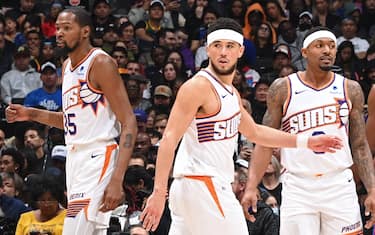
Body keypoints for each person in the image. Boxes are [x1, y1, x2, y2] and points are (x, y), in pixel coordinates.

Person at [140, 18, 342, 234]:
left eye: (230, 46)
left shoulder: (231, 93)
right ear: (208, 50)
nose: (223, 52)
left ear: (240, 50)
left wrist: (307, 141)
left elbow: (255, 132)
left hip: (198, 187)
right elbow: (169, 138)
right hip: (202, 183)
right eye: (217, 46)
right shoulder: (198, 86)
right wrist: (159, 192)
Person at [5, 8, 137, 235]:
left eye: (67, 28)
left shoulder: (101, 63)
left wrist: (117, 179)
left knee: (74, 229)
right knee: (93, 231)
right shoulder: (66, 67)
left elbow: (129, 122)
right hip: (75, 157)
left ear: (85, 31)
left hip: (98, 155)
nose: (59, 33)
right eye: (57, 27)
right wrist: (32, 114)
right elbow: (70, 121)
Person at [243, 26, 375, 235]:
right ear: (304, 52)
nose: (327, 51)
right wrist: (251, 186)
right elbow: (265, 141)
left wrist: (372, 189)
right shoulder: (283, 88)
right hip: (299, 186)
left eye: (331, 46)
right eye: (319, 45)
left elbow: (359, 145)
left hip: (339, 184)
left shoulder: (350, 88)